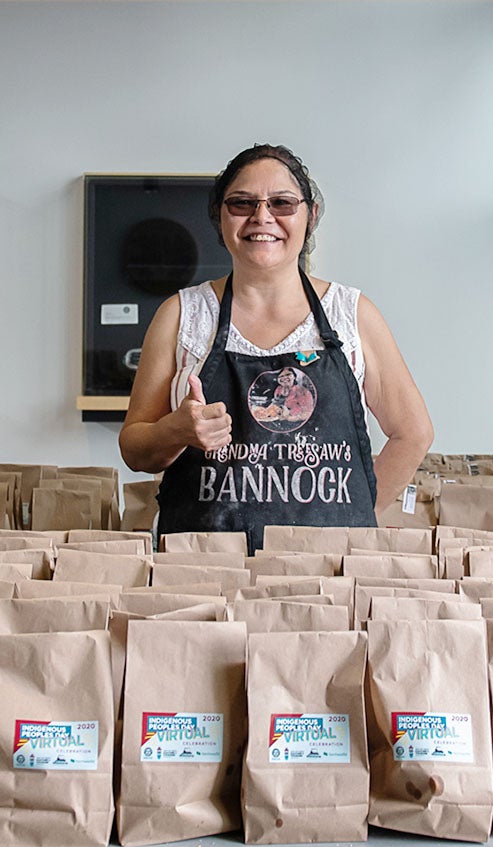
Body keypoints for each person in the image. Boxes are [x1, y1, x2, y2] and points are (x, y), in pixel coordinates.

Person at [119, 144, 433, 551]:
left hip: (325, 574)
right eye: (242, 203)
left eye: (282, 203)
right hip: (202, 568)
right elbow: (135, 448)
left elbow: (414, 432)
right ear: (220, 216)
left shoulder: (351, 314)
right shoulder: (181, 315)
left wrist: (356, 516)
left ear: (311, 215)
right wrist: (175, 431)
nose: (261, 217)